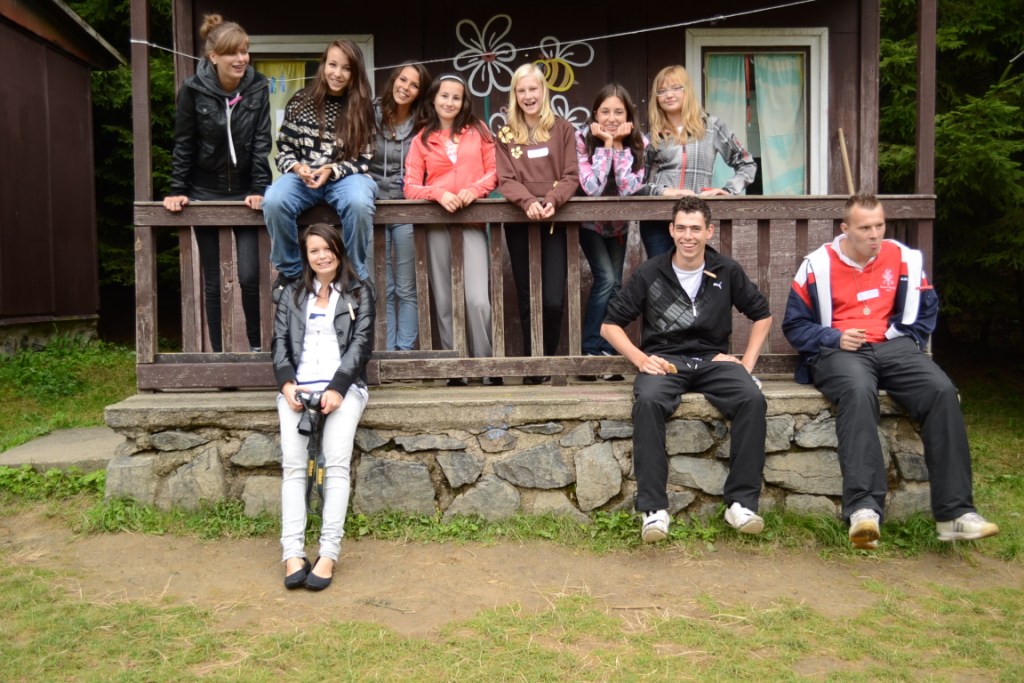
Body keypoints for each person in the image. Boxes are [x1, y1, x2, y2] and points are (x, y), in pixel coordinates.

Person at [782, 193, 999, 549]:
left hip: (893, 347)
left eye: (879, 225)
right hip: (840, 350)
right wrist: (835, 337)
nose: (874, 234)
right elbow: (795, 326)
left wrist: (903, 337)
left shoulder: (903, 259)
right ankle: (864, 511)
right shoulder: (817, 265)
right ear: (845, 229)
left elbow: (927, 308)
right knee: (857, 392)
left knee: (941, 391)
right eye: (865, 228)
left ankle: (955, 514)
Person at [601, 196, 771, 543]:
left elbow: (762, 315)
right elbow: (609, 326)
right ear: (671, 230)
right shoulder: (651, 272)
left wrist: (747, 363)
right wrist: (640, 359)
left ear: (709, 231)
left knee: (752, 399)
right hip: (665, 361)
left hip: (713, 360)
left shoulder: (726, 270)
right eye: (681, 228)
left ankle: (740, 504)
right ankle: (654, 510)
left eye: (695, 228)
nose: (688, 236)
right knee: (648, 401)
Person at [273, 223, 374, 591]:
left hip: (344, 389)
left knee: (335, 465)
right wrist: (287, 383)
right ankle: (292, 554)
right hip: (297, 390)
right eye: (314, 250)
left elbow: (361, 344)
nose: (322, 256)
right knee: (293, 467)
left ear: (339, 250)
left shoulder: (359, 292)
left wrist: (338, 388)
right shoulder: (291, 294)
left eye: (328, 248)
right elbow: (279, 343)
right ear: (306, 255)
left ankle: (328, 553)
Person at [163, 14, 271, 352]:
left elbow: (262, 142)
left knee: (249, 276)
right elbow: (184, 143)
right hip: (204, 189)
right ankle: (220, 353)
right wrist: (178, 190)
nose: (241, 58)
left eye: (244, 51)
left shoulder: (258, 87)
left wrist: (259, 188)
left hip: (245, 192)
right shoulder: (192, 90)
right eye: (232, 53)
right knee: (213, 279)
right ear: (213, 57)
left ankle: (255, 348)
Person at [263, 39, 377, 297]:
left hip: (346, 177)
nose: (337, 73)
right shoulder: (300, 101)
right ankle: (291, 272)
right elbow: (284, 149)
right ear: (323, 65)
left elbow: (366, 157)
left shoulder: (362, 106)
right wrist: (297, 167)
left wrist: (332, 170)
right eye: (332, 65)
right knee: (274, 200)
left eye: (346, 68)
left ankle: (354, 272)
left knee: (359, 202)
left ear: (355, 72)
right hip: (304, 178)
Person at [404, 74, 499, 386]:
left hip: (471, 221)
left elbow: (495, 172)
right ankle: (455, 367)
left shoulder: (479, 131)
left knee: (477, 299)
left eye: (456, 97)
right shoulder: (421, 139)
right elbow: (410, 187)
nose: (449, 102)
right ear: (434, 98)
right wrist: (438, 193)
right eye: (444, 96)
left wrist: (475, 190)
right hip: (437, 223)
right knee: (445, 299)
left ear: (464, 102)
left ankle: (486, 366)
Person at [495, 63, 580, 383]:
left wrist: (552, 201)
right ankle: (534, 366)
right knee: (528, 296)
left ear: (544, 91)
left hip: (554, 221)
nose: (528, 96)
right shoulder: (505, 133)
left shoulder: (562, 129)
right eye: (522, 90)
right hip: (521, 221)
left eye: (533, 89)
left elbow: (571, 175)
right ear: (515, 95)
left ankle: (546, 358)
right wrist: (528, 201)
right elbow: (505, 179)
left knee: (553, 299)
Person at [638, 65, 756, 259]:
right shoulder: (652, 137)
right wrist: (664, 191)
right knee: (660, 273)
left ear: (688, 90)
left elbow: (747, 163)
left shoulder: (712, 127)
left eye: (676, 88)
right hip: (658, 219)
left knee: (694, 270)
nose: (669, 95)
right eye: (662, 91)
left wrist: (729, 190)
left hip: (695, 219)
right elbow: (636, 183)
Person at [575, 83, 647, 380]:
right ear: (595, 114)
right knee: (605, 278)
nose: (612, 118)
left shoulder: (640, 142)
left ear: (629, 115)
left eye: (619, 112)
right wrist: (606, 145)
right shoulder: (582, 139)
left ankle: (607, 348)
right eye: (605, 112)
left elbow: (628, 188)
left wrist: (619, 146)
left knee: (616, 283)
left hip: (618, 226)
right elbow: (592, 188)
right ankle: (590, 349)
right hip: (589, 224)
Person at [369, 62, 431, 351]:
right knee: (380, 284)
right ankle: (384, 348)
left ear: (420, 92)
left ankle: (403, 352)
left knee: (406, 286)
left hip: (407, 207)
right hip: (372, 206)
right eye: (402, 80)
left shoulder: (424, 122)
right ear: (393, 79)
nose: (405, 87)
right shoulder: (370, 113)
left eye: (414, 84)